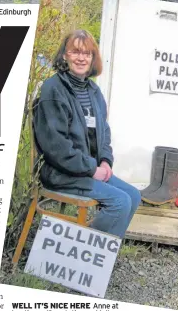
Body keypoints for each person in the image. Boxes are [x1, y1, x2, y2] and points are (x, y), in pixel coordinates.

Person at [33, 29, 141, 239]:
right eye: (75, 52)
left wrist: (105, 162)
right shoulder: (53, 89)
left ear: (93, 59)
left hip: (87, 170)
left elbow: (104, 132)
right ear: (65, 55)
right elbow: (56, 146)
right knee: (120, 202)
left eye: (87, 53)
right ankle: (82, 255)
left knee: (134, 195)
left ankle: (100, 257)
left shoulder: (93, 91)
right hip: (61, 172)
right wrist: (91, 169)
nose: (81, 58)